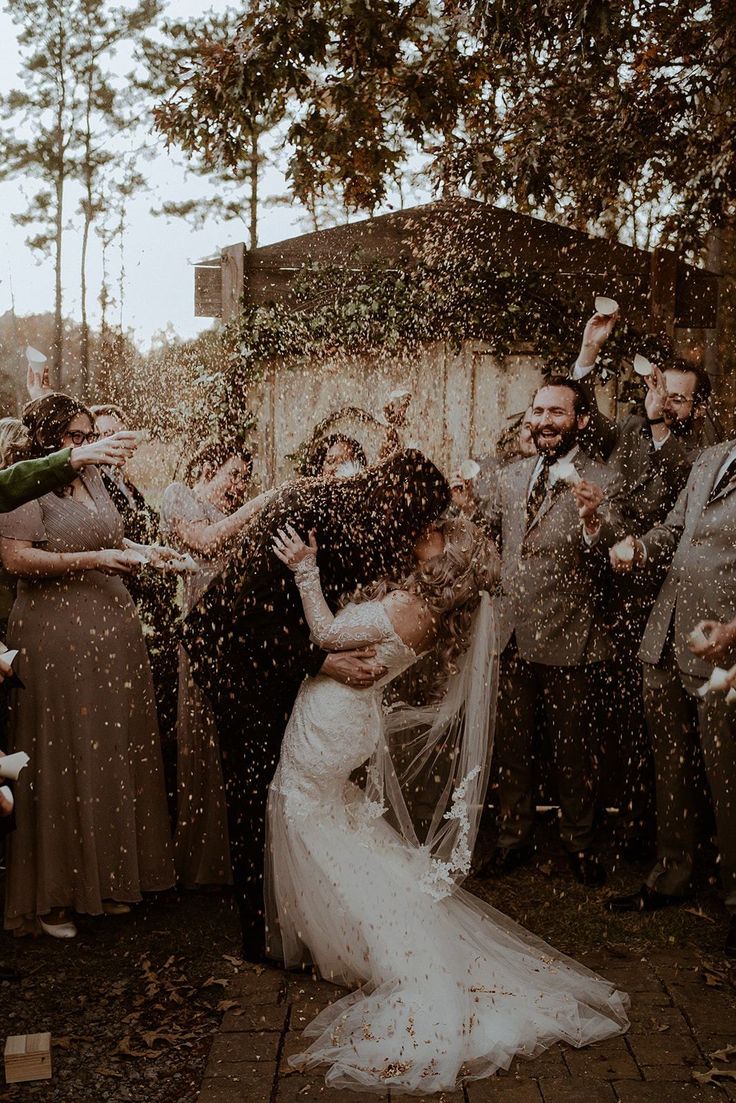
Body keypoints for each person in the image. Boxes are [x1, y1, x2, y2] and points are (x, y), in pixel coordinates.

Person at [264, 518, 628, 1094]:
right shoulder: (429, 611)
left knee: (308, 815)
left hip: (332, 718)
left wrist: (304, 570)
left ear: (447, 559)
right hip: (344, 717)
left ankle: (363, 942)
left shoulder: (411, 606)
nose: (424, 530)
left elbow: (330, 634)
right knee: (333, 822)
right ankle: (344, 936)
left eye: (436, 533)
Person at [183, 450, 452, 961]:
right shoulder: (305, 512)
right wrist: (322, 662)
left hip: (278, 657)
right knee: (254, 789)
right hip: (236, 660)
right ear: (398, 505)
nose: (421, 532)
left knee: (281, 790)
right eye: (420, 520)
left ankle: (297, 913)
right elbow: (248, 613)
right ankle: (260, 936)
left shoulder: (367, 528)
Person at [0, 393, 174, 938]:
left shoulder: (95, 476)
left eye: (85, 435)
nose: (84, 444)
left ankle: (110, 880)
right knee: (63, 752)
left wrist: (148, 552)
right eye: (74, 437)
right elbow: (16, 559)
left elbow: (110, 537)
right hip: (55, 637)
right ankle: (55, 896)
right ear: (48, 438)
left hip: (111, 634)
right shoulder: (24, 484)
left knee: (108, 750)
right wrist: (94, 561)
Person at [478, 378, 623, 886]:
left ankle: (579, 843)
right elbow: (487, 536)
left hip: (570, 635)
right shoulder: (512, 475)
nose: (544, 421)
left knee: (572, 750)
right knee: (512, 745)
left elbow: (616, 553)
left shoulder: (603, 477)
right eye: (538, 411)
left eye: (557, 412)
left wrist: (593, 519)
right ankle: (513, 838)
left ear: (581, 420)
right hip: (511, 633)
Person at [571, 313, 706, 855]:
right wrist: (587, 353)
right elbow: (584, 421)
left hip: (662, 606)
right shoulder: (627, 428)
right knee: (611, 720)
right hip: (608, 600)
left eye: (679, 399)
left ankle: (661, 834)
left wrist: (662, 425)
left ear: (696, 407)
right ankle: (620, 824)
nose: (667, 402)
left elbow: (675, 511)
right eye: (661, 393)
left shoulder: (703, 451)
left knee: (659, 729)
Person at [606, 438, 736, 958]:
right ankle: (672, 874)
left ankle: (734, 899)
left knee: (727, 776)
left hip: (721, 649)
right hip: (667, 636)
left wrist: (732, 630)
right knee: (672, 765)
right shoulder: (712, 456)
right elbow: (676, 531)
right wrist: (639, 547)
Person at [160, 440, 269, 888]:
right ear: (207, 466)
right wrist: (260, 504)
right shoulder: (178, 496)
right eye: (234, 474)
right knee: (201, 733)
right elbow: (205, 542)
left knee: (234, 737)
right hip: (201, 636)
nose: (239, 485)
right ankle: (204, 857)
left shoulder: (236, 511)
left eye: (246, 479)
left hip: (237, 636)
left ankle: (238, 849)